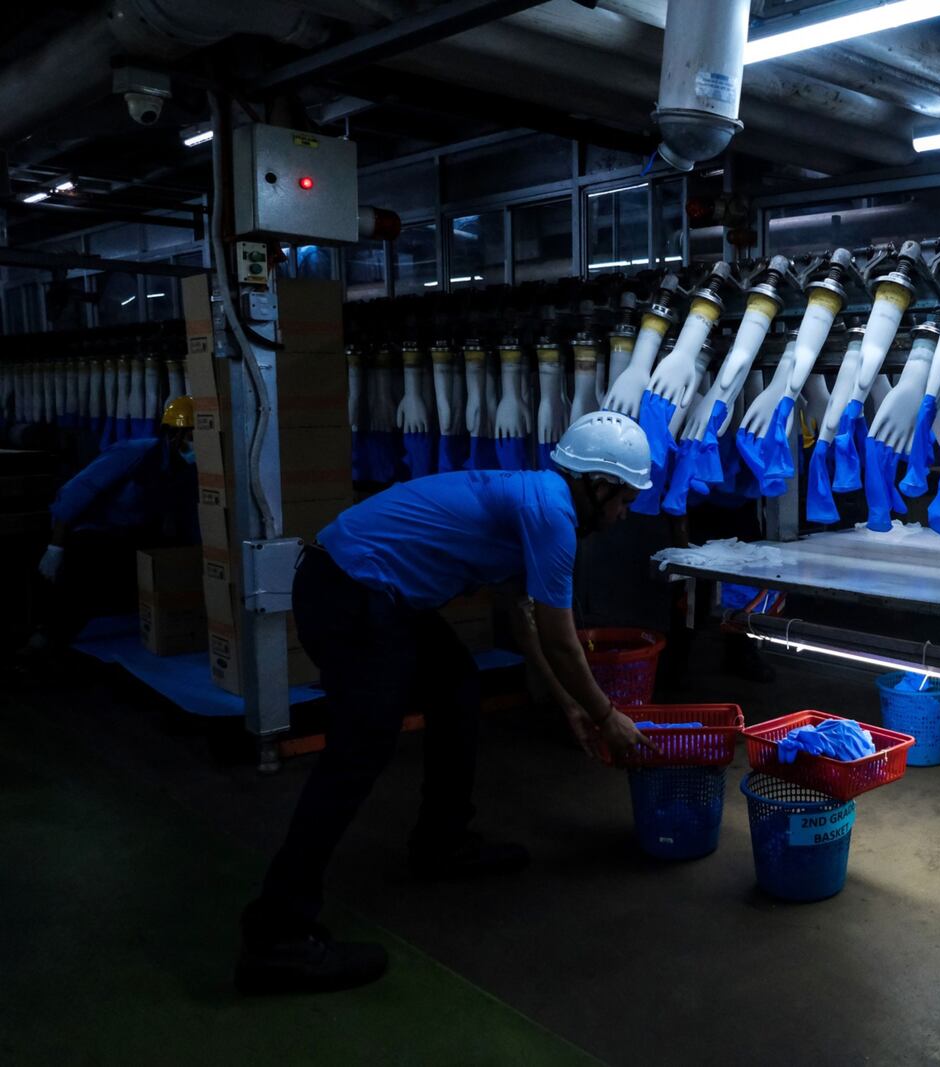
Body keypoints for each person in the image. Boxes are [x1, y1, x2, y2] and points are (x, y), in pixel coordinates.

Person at [236, 411, 657, 995]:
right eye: (624, 500)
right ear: (598, 484)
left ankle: (442, 842)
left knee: (457, 686)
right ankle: (277, 933)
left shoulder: (535, 498)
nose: (623, 514)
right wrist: (608, 716)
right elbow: (563, 640)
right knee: (360, 750)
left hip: (366, 589)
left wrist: (571, 705)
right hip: (353, 591)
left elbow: (525, 618)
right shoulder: (554, 514)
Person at [29, 395, 198, 653]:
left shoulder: (183, 470)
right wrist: (55, 549)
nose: (194, 445)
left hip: (131, 533)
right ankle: (47, 639)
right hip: (93, 534)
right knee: (79, 587)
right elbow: (73, 495)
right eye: (190, 436)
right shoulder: (135, 453)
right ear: (173, 433)